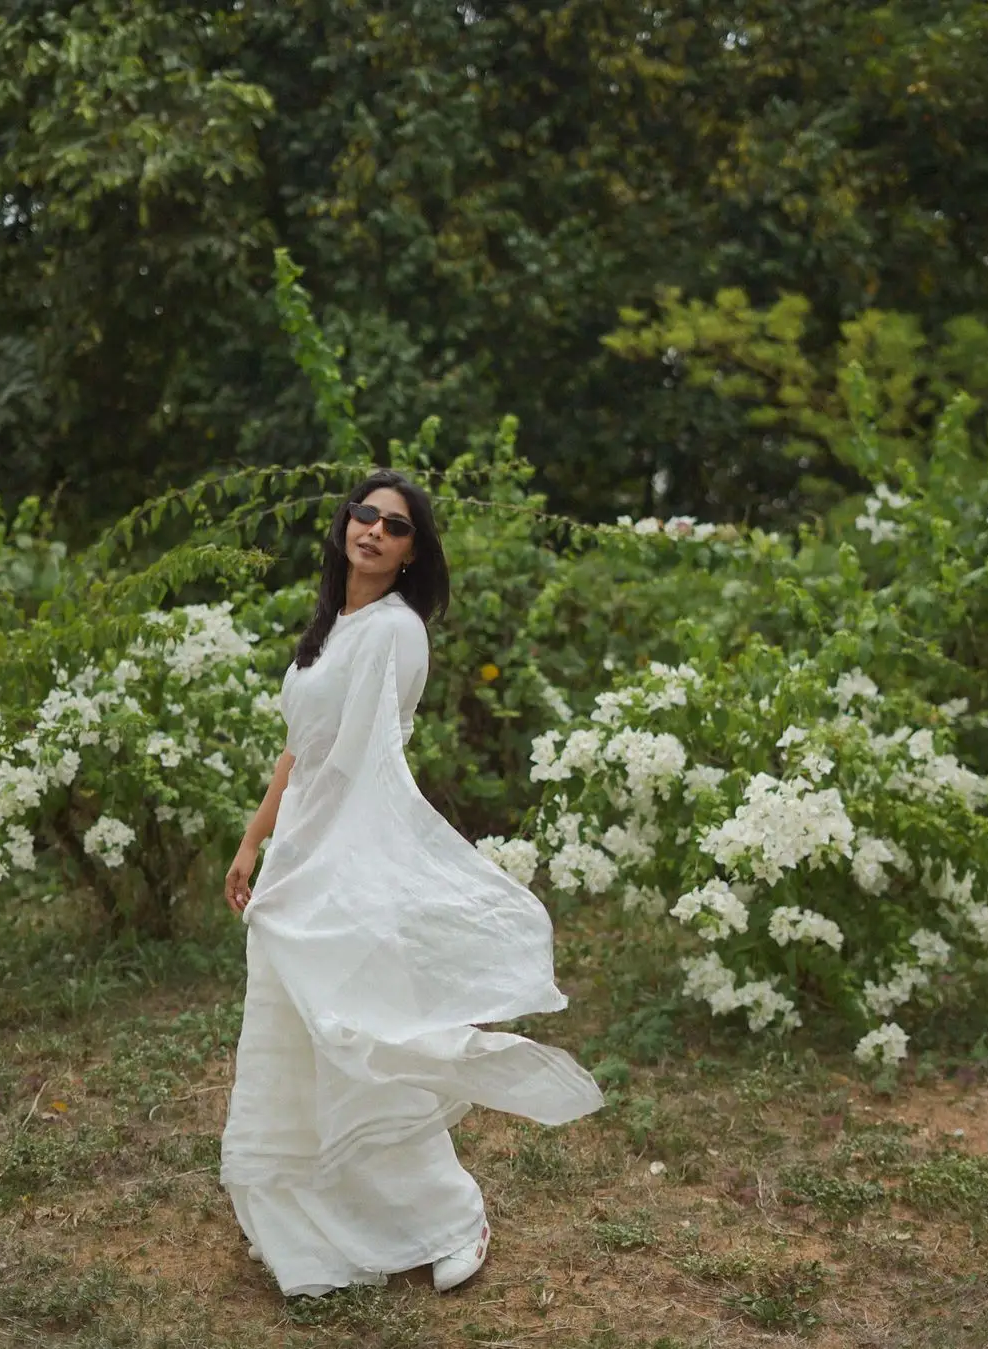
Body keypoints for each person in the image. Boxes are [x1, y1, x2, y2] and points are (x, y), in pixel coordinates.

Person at [219, 469, 603, 1298]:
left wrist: (319, 863)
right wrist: (255, 843)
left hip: (344, 863)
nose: (373, 530)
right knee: (300, 1046)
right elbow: (301, 752)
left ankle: (451, 1216)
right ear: (342, 527)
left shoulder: (395, 631)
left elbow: (367, 765)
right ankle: (313, 1220)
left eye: (394, 526)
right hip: (297, 861)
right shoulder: (329, 627)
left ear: (410, 553)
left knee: (365, 1045)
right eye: (364, 515)